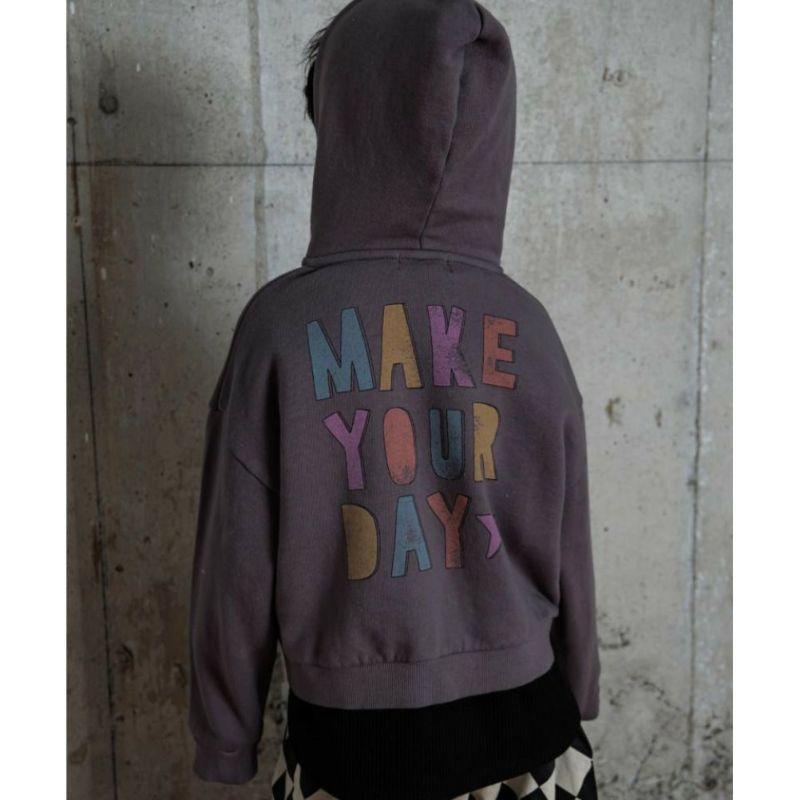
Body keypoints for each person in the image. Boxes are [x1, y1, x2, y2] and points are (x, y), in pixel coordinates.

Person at [188, 1, 602, 798]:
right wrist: (581, 676)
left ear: (347, 119)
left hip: (351, 750)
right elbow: (569, 535)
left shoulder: (279, 330)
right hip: (533, 741)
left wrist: (226, 735)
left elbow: (231, 568)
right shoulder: (529, 327)